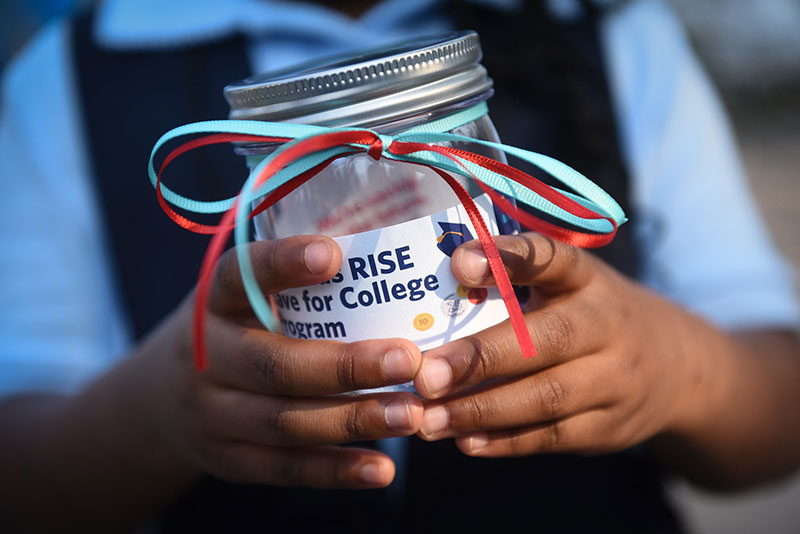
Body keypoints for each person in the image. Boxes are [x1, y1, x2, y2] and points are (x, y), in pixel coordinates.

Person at [1, 0, 799, 531]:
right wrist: (160, 409)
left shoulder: (612, 31)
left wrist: (666, 363)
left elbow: (779, 413)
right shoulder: (71, 78)